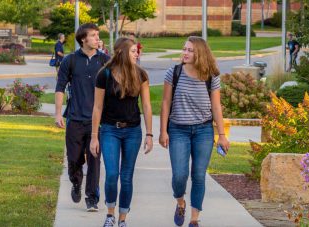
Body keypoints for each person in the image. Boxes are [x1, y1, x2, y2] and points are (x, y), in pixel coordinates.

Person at [159, 36, 230, 227]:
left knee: (199, 175)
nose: (185, 53)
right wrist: (162, 131)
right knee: (180, 175)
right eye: (184, 49)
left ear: (200, 53)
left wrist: (221, 135)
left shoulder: (211, 76)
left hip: (203, 131)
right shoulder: (173, 73)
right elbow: (165, 103)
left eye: (190, 50)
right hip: (178, 130)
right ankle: (180, 202)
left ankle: (194, 219)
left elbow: (216, 107)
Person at [89, 37, 153, 227]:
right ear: (122, 53)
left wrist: (149, 134)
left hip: (133, 131)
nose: (137, 54)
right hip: (110, 130)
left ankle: (123, 218)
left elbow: (147, 106)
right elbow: (97, 107)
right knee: (111, 174)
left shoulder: (141, 74)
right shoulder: (104, 75)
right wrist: (94, 136)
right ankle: (110, 214)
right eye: (133, 51)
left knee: (126, 177)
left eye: (137, 51)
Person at [54, 23, 110, 212]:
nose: (97, 38)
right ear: (83, 39)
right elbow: (60, 87)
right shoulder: (70, 60)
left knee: (95, 159)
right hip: (75, 119)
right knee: (74, 159)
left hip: (97, 122)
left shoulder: (105, 60)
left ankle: (92, 198)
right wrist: (57, 113)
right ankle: (76, 182)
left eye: (97, 35)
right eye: (93, 35)